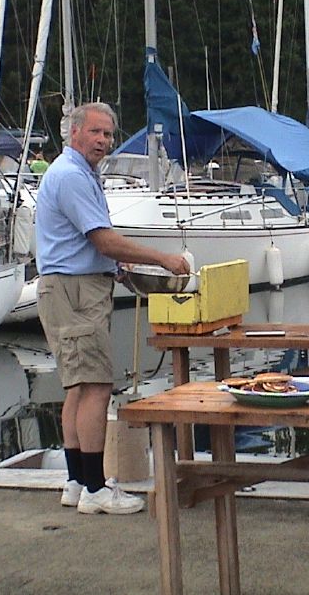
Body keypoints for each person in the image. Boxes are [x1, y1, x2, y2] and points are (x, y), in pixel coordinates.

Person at [35, 102, 189, 515]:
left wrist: (117, 268)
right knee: (98, 386)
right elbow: (102, 239)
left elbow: (88, 243)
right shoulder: (70, 175)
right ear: (75, 133)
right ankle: (96, 490)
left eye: (109, 135)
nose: (103, 141)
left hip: (69, 287)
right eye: (96, 132)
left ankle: (74, 482)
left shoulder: (78, 174)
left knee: (78, 387)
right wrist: (162, 259)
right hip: (75, 292)